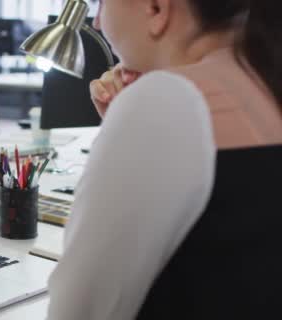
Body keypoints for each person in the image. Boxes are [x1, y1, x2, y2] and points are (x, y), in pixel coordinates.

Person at [47, 1, 282, 319]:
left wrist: (134, 120)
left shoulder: (167, 100)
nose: (99, 22)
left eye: (102, 3)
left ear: (157, 9)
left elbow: (78, 310)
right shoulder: (264, 82)